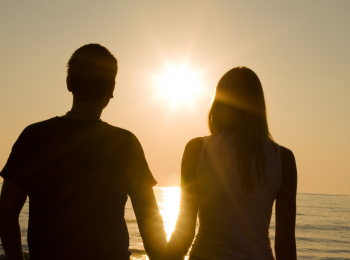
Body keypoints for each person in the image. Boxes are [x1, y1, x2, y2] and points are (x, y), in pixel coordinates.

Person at [0, 44, 167, 260]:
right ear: (112, 89)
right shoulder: (125, 142)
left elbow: (6, 212)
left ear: (69, 83)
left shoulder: (33, 136)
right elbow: (150, 224)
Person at [166, 67, 297, 260]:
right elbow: (285, 246)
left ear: (218, 104)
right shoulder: (283, 159)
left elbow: (184, 234)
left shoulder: (196, 149)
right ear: (259, 106)